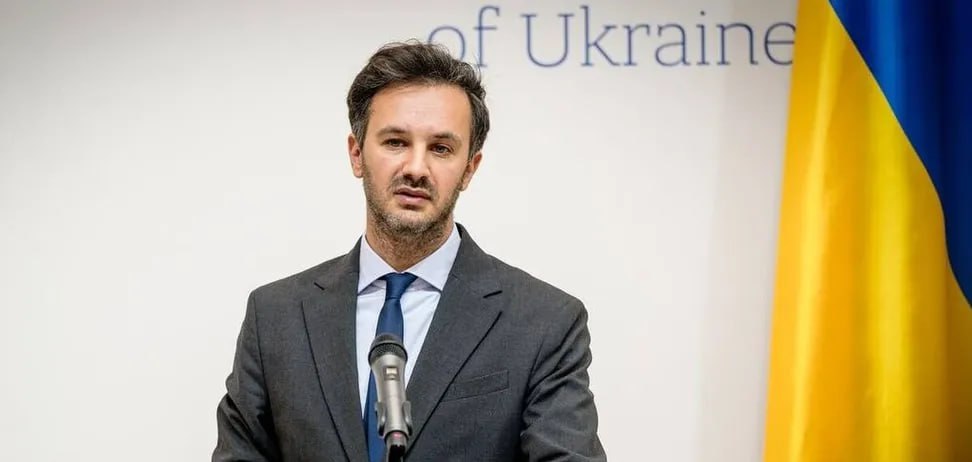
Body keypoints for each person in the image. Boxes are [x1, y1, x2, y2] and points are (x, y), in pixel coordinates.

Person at [213, 41, 605, 462]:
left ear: (469, 169)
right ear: (357, 154)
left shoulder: (544, 322)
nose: (416, 168)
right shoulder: (275, 318)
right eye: (396, 142)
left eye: (441, 148)